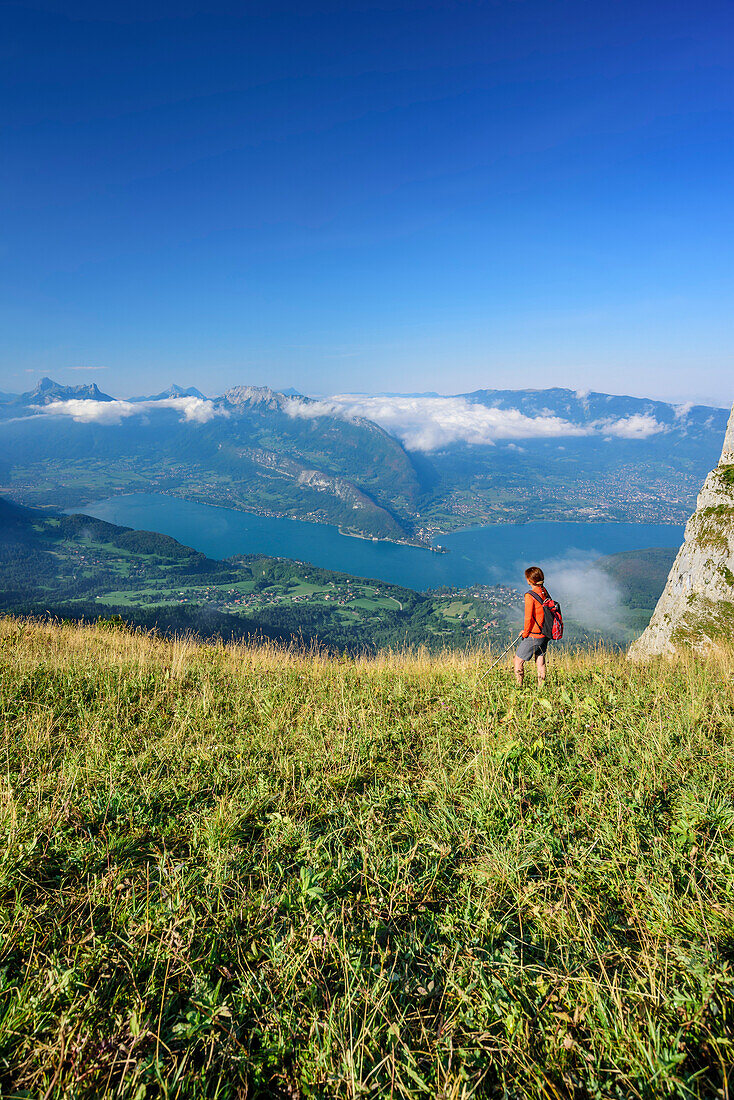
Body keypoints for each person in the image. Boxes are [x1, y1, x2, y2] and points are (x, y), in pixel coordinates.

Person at [514, 565, 550, 686]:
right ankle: (541, 688)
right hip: (545, 633)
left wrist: (525, 633)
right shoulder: (544, 591)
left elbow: (528, 617)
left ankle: (519, 686)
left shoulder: (530, 595)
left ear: (530, 580)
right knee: (540, 662)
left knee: (518, 661)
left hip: (534, 635)